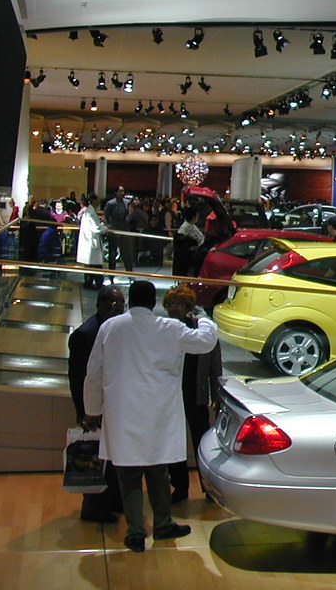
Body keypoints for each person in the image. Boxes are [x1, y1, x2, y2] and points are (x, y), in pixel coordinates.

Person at [83, 280, 218, 552]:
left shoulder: (110, 327)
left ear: (130, 301)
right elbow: (206, 342)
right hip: (158, 414)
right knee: (158, 470)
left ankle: (135, 532)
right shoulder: (169, 328)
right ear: (153, 303)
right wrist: (203, 318)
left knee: (128, 476)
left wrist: (92, 409)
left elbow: (93, 372)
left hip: (121, 415)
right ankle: (163, 524)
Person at [67, 287, 126, 523]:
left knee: (111, 460)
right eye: (117, 303)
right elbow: (77, 377)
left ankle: (111, 501)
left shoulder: (115, 330)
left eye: (122, 302)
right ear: (104, 304)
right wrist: (84, 411)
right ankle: (92, 507)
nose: (121, 307)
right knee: (93, 459)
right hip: (94, 409)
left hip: (112, 406)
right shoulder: (86, 333)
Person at [163, 285, 221, 503]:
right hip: (171, 395)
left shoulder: (202, 330)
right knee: (173, 441)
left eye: (179, 305)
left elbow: (215, 365)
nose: (174, 309)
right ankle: (179, 487)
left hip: (196, 393)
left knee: (201, 441)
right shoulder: (165, 329)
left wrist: (216, 394)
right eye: (170, 305)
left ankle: (208, 488)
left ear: (189, 307)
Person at [76, 194, 107, 289]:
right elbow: (97, 227)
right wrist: (105, 227)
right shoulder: (90, 212)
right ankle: (96, 283)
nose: (99, 201)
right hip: (91, 243)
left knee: (91, 265)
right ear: (93, 200)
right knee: (95, 265)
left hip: (90, 242)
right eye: (98, 199)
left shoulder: (89, 211)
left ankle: (90, 282)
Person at [103, 186, 134, 274]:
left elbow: (129, 215)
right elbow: (105, 215)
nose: (122, 193)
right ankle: (111, 275)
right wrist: (108, 225)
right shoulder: (110, 203)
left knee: (127, 254)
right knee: (112, 254)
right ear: (116, 193)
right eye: (120, 191)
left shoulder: (127, 203)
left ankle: (130, 273)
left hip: (124, 231)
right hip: (114, 232)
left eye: (123, 191)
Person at [172, 206, 204, 276]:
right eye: (197, 215)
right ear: (193, 216)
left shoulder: (191, 225)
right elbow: (180, 242)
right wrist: (192, 246)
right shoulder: (185, 227)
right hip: (188, 258)